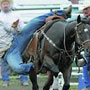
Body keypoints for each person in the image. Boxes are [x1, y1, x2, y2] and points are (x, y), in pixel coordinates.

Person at [1, 0, 72, 88]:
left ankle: (63, 12)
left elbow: (10, 29)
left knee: (34, 22)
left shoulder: (1, 21)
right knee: (18, 68)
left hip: (16, 40)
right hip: (9, 52)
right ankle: (34, 66)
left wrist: (14, 26)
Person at [0, 0, 29, 87]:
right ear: (1, 5)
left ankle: (23, 79)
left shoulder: (16, 15)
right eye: (3, 3)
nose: (5, 5)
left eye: (7, 3)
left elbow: (22, 27)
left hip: (16, 40)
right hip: (3, 42)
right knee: (4, 61)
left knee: (19, 59)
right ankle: (5, 80)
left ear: (10, 4)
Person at [78, 4, 90, 90]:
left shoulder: (85, 20)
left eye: (86, 9)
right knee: (85, 65)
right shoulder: (84, 21)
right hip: (88, 47)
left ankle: (88, 85)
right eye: (84, 10)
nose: (85, 11)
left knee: (86, 65)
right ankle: (88, 86)